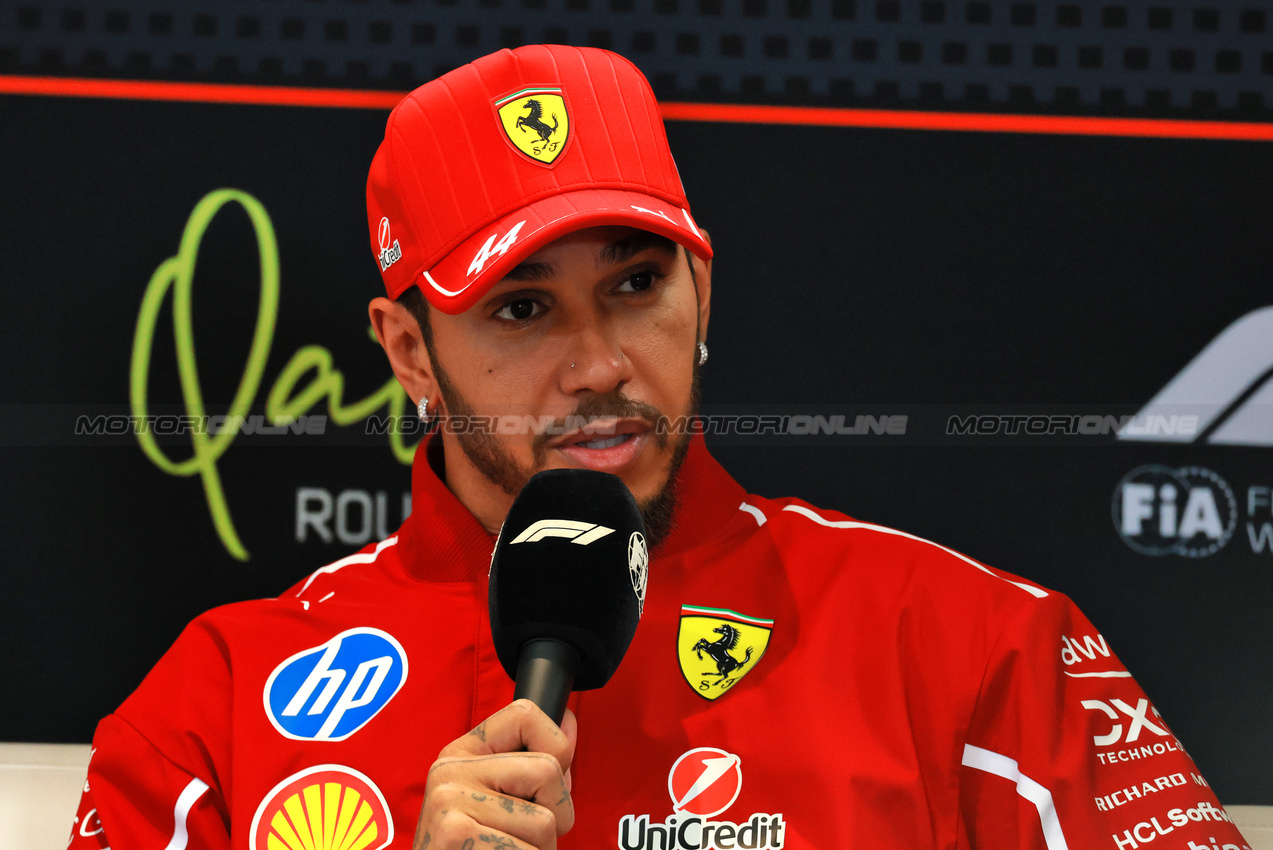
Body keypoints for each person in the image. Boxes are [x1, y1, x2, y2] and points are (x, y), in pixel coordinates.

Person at [70, 45, 1250, 850]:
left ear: (701, 290)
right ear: (410, 352)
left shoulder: (973, 648)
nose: (598, 364)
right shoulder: (214, 708)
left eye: (636, 285)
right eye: (522, 309)